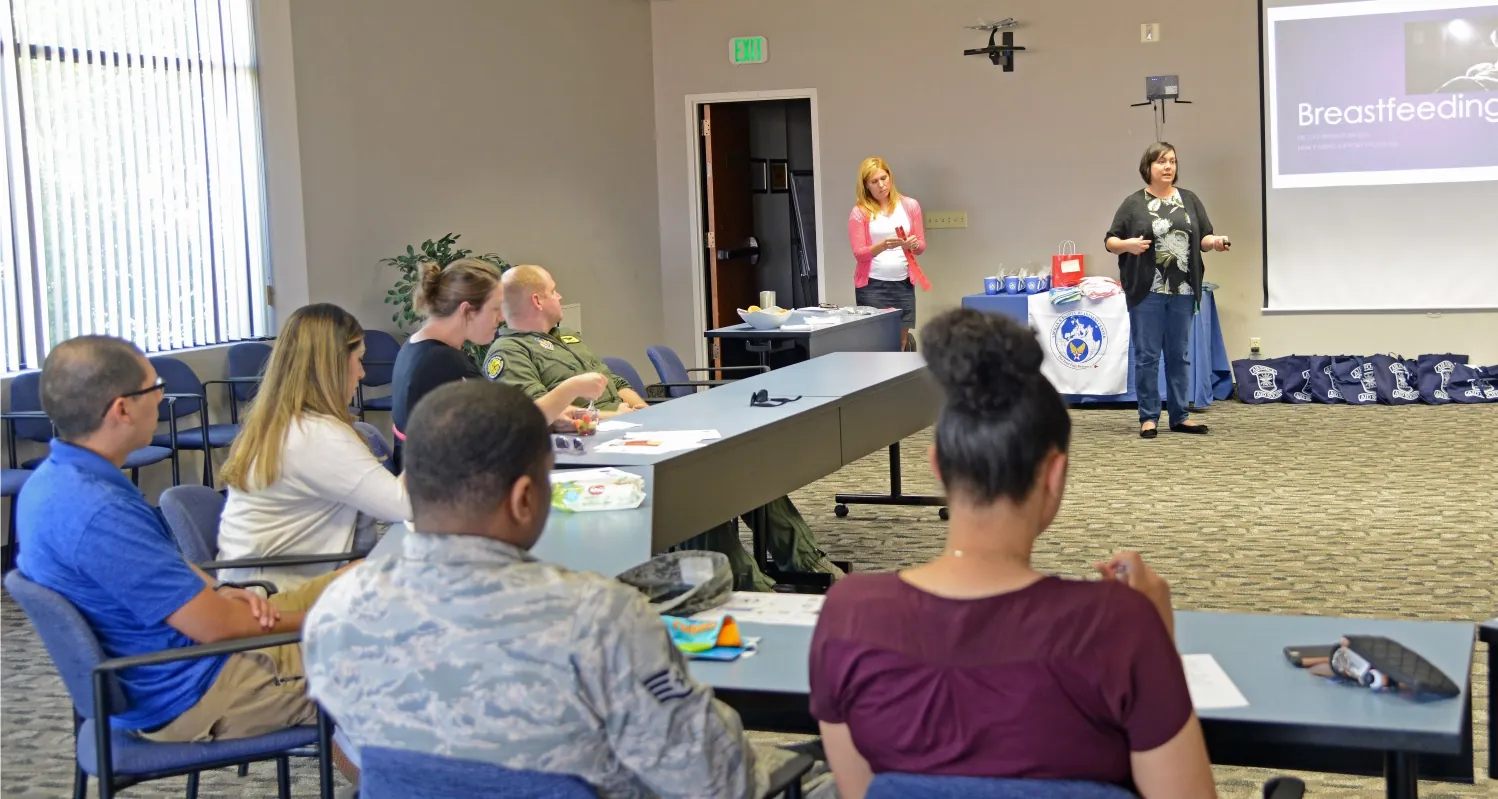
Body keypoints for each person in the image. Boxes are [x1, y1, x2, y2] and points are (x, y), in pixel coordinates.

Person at [305, 381, 801, 798]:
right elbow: (714, 777)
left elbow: (357, 759)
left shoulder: (339, 610)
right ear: (525, 498)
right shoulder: (599, 616)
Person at [808, 309, 1216, 799]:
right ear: (1055, 476)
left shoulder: (850, 612)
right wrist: (1156, 638)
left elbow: (862, 792)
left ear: (937, 464)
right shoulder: (1121, 626)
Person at [15, 335, 347, 744]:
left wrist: (221, 587)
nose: (161, 398)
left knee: (364, 577)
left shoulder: (57, 480)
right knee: (401, 654)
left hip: (189, 660)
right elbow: (218, 627)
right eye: (156, 388)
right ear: (121, 408)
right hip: (202, 688)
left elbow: (166, 567)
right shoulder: (99, 513)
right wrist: (336, 623)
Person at [485, 264, 842, 591]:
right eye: (554, 290)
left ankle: (805, 561)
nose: (560, 296)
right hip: (597, 449)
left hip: (634, 429)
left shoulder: (568, 339)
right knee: (694, 486)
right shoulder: (510, 354)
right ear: (537, 299)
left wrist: (637, 406)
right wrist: (621, 416)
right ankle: (749, 585)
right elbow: (537, 417)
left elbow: (612, 378)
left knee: (740, 464)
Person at [217, 303, 408, 590]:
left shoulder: (280, 422)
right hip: (280, 602)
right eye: (358, 360)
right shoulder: (316, 435)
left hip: (255, 591)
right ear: (332, 366)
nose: (362, 374)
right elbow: (404, 506)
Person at [389, 258, 607, 441]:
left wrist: (556, 413)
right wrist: (572, 388)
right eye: (495, 309)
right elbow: (508, 426)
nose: (501, 318)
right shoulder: (444, 364)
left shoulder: (415, 348)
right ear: (468, 310)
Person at [1105, 141, 1231, 439]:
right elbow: (1111, 241)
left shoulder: (1189, 200)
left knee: (1179, 354)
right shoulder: (1134, 203)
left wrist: (1214, 242)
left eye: (1172, 161)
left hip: (1183, 290)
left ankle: (1180, 416)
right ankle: (1148, 418)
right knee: (1148, 355)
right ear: (1147, 167)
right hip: (1146, 291)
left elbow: (1203, 237)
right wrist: (1129, 246)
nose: (1168, 167)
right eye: (1161, 162)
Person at [848, 156, 926, 352]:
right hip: (873, 285)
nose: (881, 185)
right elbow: (859, 254)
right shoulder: (860, 212)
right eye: (874, 181)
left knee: (899, 343)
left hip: (903, 285)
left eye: (884, 178)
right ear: (866, 186)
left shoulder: (910, 206)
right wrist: (883, 246)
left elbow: (921, 246)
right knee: (876, 345)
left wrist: (914, 245)